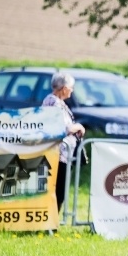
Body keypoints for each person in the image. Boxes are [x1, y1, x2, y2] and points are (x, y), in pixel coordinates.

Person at [42, 72, 85, 213]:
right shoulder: (54, 103)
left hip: (60, 154)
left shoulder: (56, 102)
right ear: (64, 88)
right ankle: (51, 221)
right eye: (71, 87)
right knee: (59, 191)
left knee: (59, 191)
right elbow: (62, 128)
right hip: (58, 155)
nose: (72, 90)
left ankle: (51, 220)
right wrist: (78, 127)